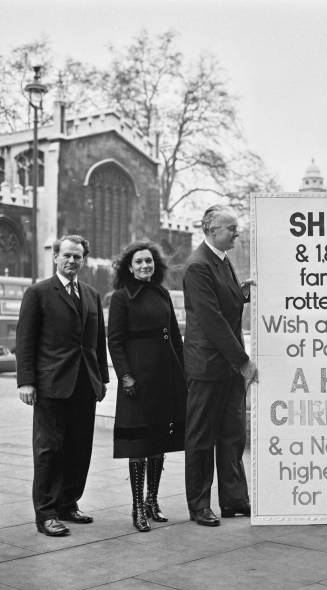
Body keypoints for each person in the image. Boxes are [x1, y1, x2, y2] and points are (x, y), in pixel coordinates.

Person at [16, 235, 109, 537]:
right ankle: (46, 514)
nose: (72, 261)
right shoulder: (38, 293)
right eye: (67, 255)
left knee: (79, 448)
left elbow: (97, 341)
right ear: (55, 256)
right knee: (49, 450)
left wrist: (102, 379)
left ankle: (69, 503)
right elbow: (25, 341)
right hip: (51, 385)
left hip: (84, 384)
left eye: (77, 257)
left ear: (84, 260)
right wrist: (26, 382)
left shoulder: (92, 295)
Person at [183, 205, 258, 527]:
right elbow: (211, 320)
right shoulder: (198, 266)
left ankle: (234, 500)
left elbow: (223, 304)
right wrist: (243, 361)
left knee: (232, 435)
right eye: (231, 228)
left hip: (225, 366)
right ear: (212, 231)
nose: (237, 233)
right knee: (201, 438)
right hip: (208, 366)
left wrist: (242, 294)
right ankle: (199, 505)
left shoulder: (221, 262)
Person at [108, 241, 187, 532]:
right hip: (137, 382)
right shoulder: (121, 297)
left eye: (149, 262)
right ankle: (137, 507)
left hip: (165, 378)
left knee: (158, 443)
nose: (145, 266)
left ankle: (152, 501)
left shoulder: (162, 292)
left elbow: (176, 339)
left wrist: (182, 374)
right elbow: (114, 341)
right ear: (130, 266)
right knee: (139, 446)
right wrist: (126, 376)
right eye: (139, 262)